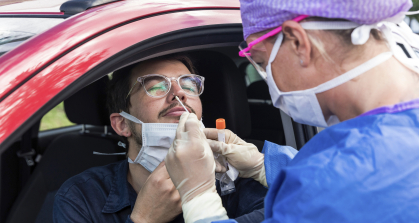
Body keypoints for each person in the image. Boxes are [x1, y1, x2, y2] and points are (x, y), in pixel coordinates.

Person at [164, 0, 419, 222]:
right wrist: (264, 166)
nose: (270, 84)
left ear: (298, 42)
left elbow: (330, 189)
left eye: (262, 62)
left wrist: (197, 196)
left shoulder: (343, 176)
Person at [53, 54, 267, 223]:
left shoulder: (240, 182)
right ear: (122, 124)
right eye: (156, 86)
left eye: (189, 85)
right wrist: (144, 220)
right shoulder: (82, 197)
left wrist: (263, 167)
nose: (179, 94)